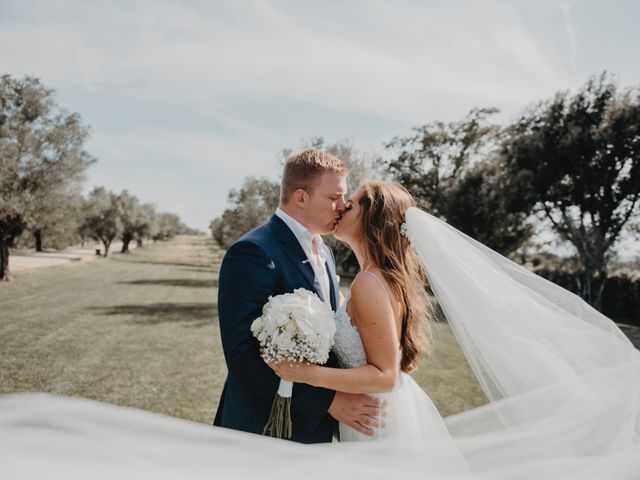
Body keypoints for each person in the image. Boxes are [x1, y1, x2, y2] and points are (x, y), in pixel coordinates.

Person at [213, 148, 385, 443]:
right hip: (261, 430)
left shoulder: (327, 253)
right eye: (334, 198)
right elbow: (243, 357)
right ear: (301, 197)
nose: (342, 207)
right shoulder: (253, 252)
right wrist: (330, 402)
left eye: (343, 198)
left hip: (313, 433)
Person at [267, 181, 456, 443]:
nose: (342, 207)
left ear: (371, 219)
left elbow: (385, 375)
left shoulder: (369, 283)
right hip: (375, 410)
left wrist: (305, 374)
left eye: (351, 204)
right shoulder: (376, 278)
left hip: (374, 419)